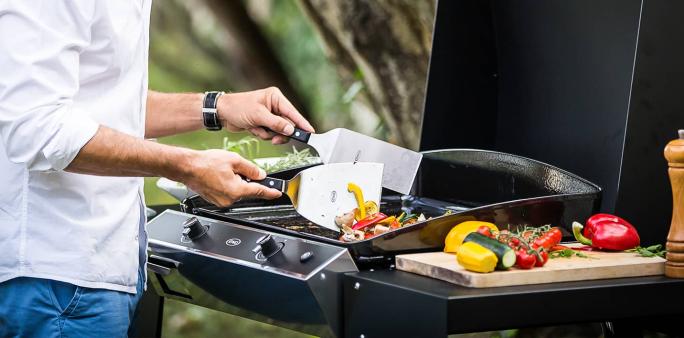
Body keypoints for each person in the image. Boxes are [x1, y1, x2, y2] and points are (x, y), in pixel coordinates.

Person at [0, 1, 314, 337]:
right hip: (56, 281)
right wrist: (187, 165)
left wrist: (217, 107)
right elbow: (36, 126)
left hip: (106, 267)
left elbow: (107, 104)